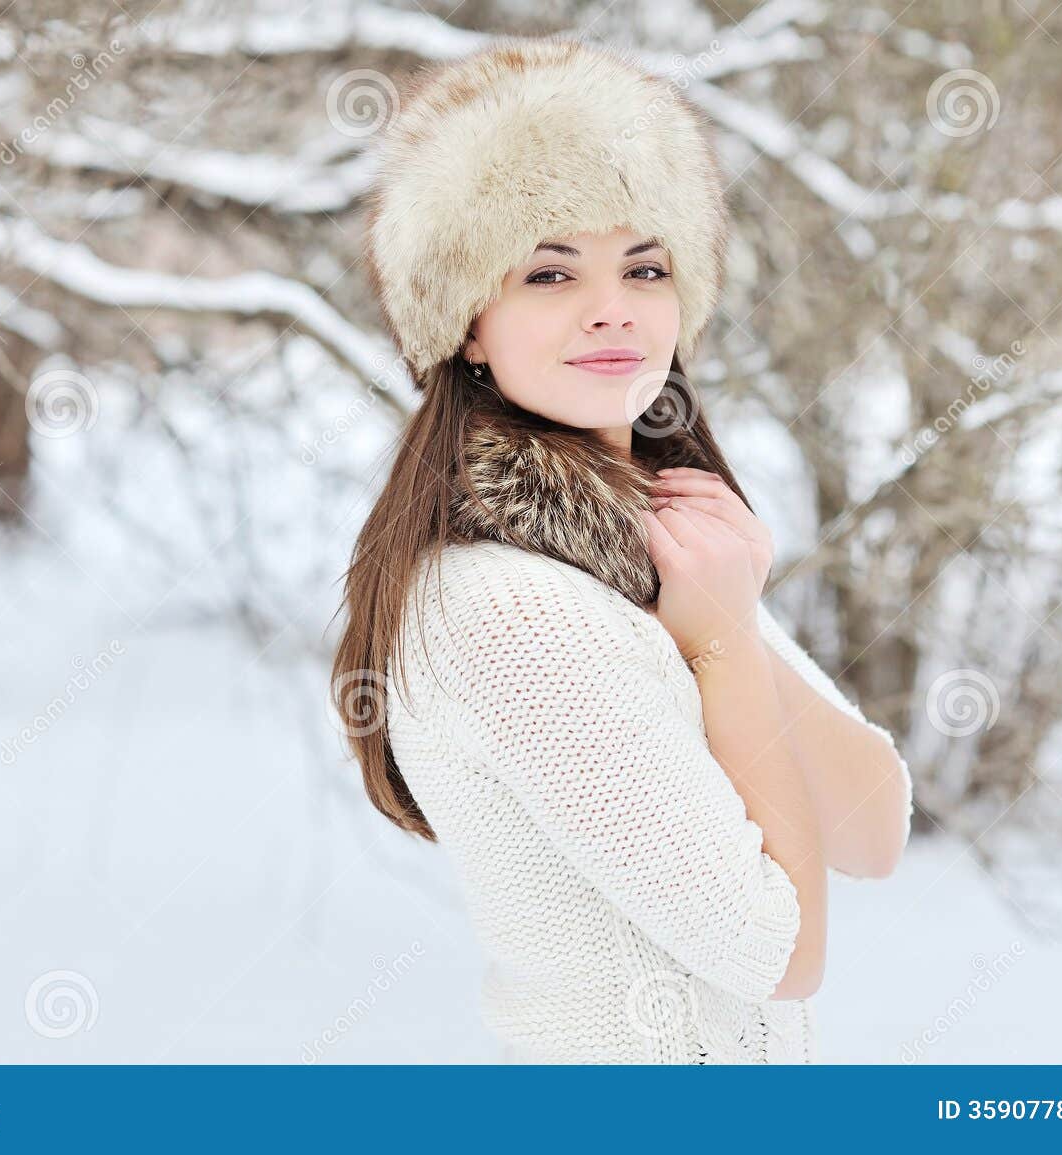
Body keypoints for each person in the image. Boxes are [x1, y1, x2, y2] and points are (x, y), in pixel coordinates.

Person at [330, 36, 913, 1063]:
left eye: (645, 265)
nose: (613, 308)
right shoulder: (503, 605)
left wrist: (719, 621)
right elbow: (778, 953)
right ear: (468, 324)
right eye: (549, 271)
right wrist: (723, 642)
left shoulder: (664, 549)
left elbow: (872, 832)